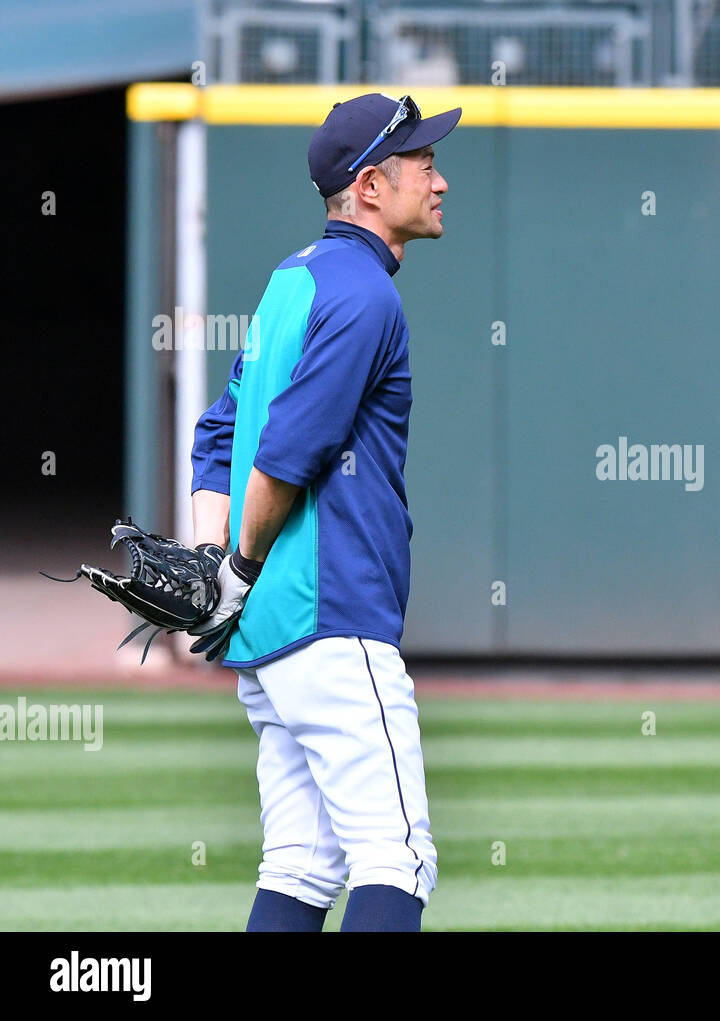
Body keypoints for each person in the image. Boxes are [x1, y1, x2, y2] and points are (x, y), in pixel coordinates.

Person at [187, 93, 461, 932]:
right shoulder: (365, 297)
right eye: (422, 163)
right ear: (372, 185)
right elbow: (283, 455)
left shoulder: (290, 281)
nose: (440, 179)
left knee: (302, 864)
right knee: (398, 853)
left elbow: (215, 438)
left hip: (272, 633)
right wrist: (233, 567)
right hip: (331, 616)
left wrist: (213, 567)